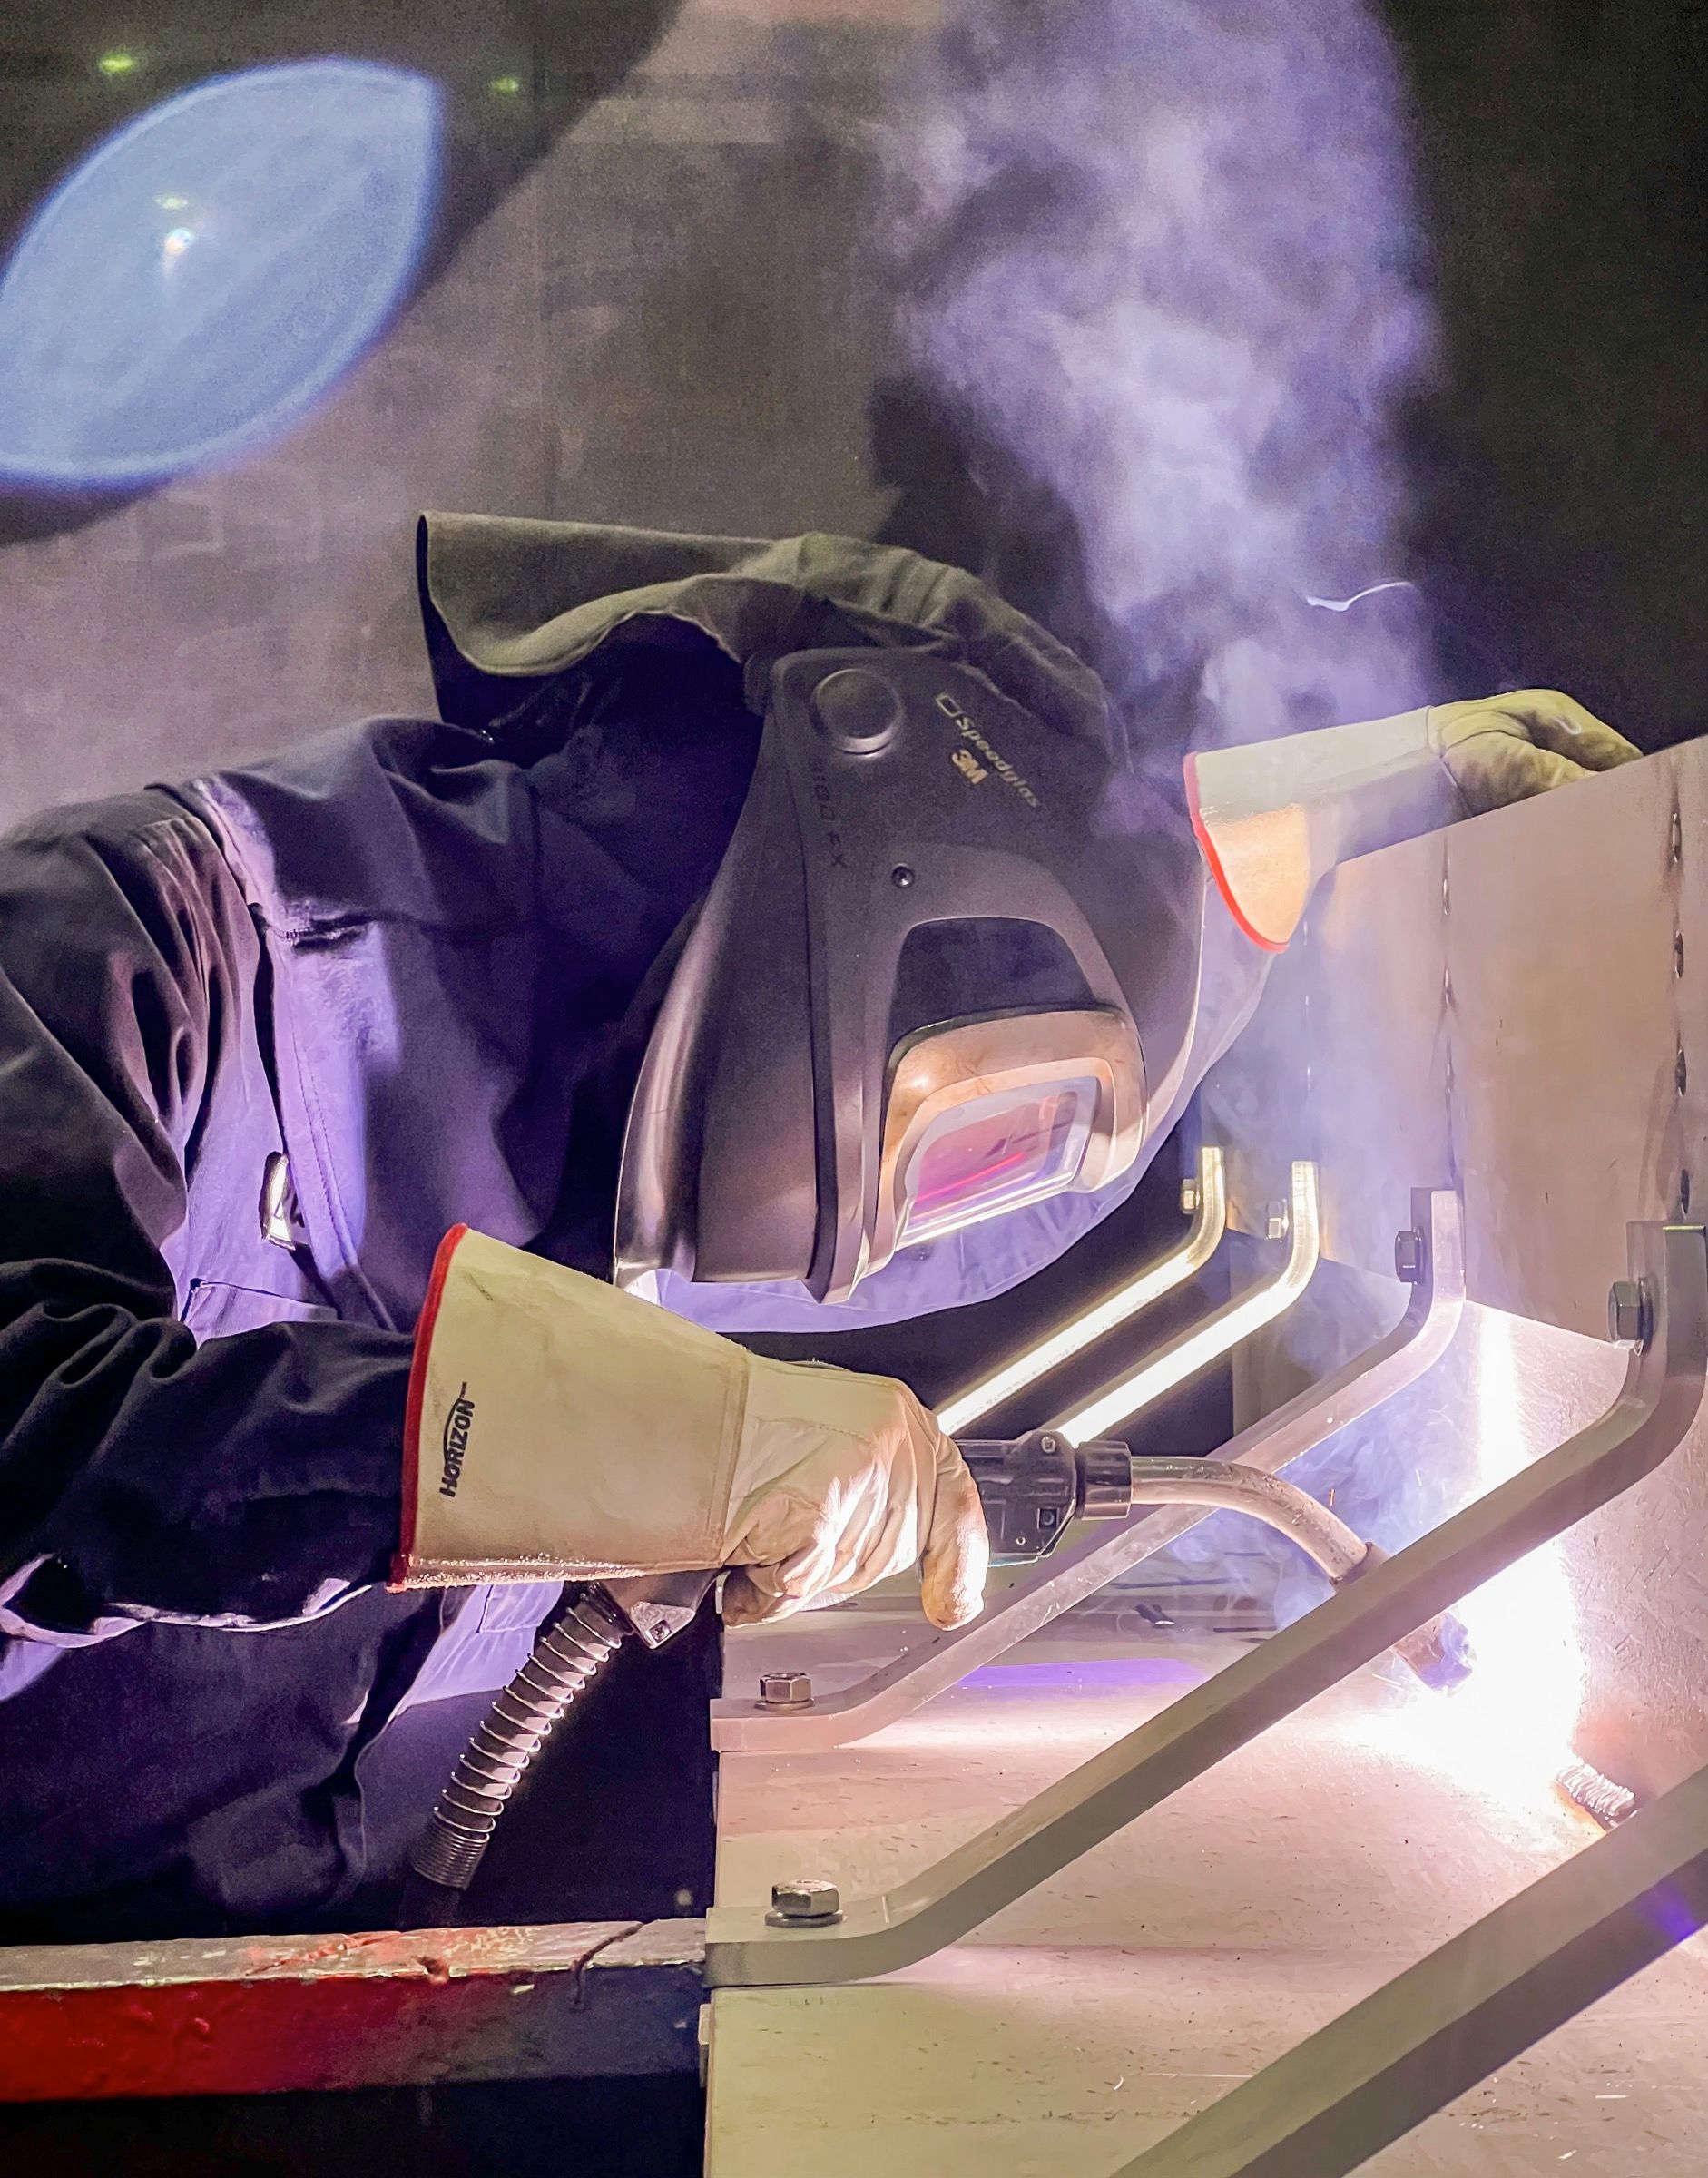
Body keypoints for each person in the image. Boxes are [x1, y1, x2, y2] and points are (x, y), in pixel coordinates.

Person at [0, 515, 1638, 1940]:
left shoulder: (638, 1160)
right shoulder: (128, 939)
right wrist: (633, 1441)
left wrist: (1333, 802)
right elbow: (33, 1413)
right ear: (872, 859)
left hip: (259, 1990)